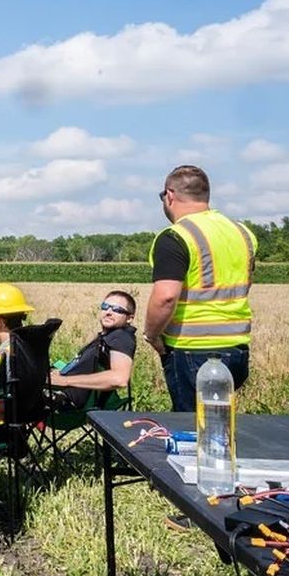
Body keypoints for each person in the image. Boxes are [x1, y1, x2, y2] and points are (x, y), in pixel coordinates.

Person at [144, 165, 257, 413]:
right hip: (237, 348)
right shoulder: (242, 233)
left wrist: (151, 335)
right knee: (220, 422)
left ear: (170, 195)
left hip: (192, 349)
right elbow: (245, 283)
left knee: (193, 426)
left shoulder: (176, 236)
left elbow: (165, 297)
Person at [48, 291, 138, 410]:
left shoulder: (121, 337)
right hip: (58, 389)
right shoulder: (107, 337)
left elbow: (119, 379)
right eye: (105, 306)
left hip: (65, 400)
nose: (108, 312)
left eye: (117, 310)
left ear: (129, 318)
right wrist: (62, 372)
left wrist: (65, 380)